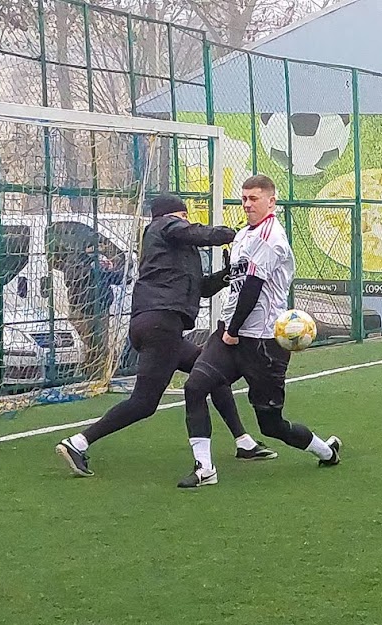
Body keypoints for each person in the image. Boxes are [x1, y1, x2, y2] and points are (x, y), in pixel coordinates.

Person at [56, 193, 275, 477]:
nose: (187, 222)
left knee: (210, 371)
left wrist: (228, 274)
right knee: (144, 403)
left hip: (161, 324)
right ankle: (78, 442)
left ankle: (243, 441)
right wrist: (234, 234)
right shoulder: (162, 227)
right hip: (160, 324)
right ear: (174, 215)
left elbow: (201, 288)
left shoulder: (175, 251)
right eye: (184, 217)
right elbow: (191, 231)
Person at [178, 175, 341, 488]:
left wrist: (233, 330)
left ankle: (325, 450)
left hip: (264, 343)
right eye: (244, 198)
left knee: (271, 425)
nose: (248, 204)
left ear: (271, 201)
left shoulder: (271, 236)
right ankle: (204, 468)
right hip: (230, 334)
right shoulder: (243, 236)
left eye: (254, 198)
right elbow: (235, 279)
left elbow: (253, 287)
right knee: (195, 386)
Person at [61, 236, 125, 378]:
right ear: (86, 247)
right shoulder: (75, 259)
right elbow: (73, 278)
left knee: (101, 346)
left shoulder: (102, 261)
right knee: (86, 344)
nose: (99, 249)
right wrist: (98, 271)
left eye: (101, 246)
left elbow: (118, 278)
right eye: (95, 246)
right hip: (81, 308)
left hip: (101, 308)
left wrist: (110, 269)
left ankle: (98, 375)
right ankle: (84, 375)